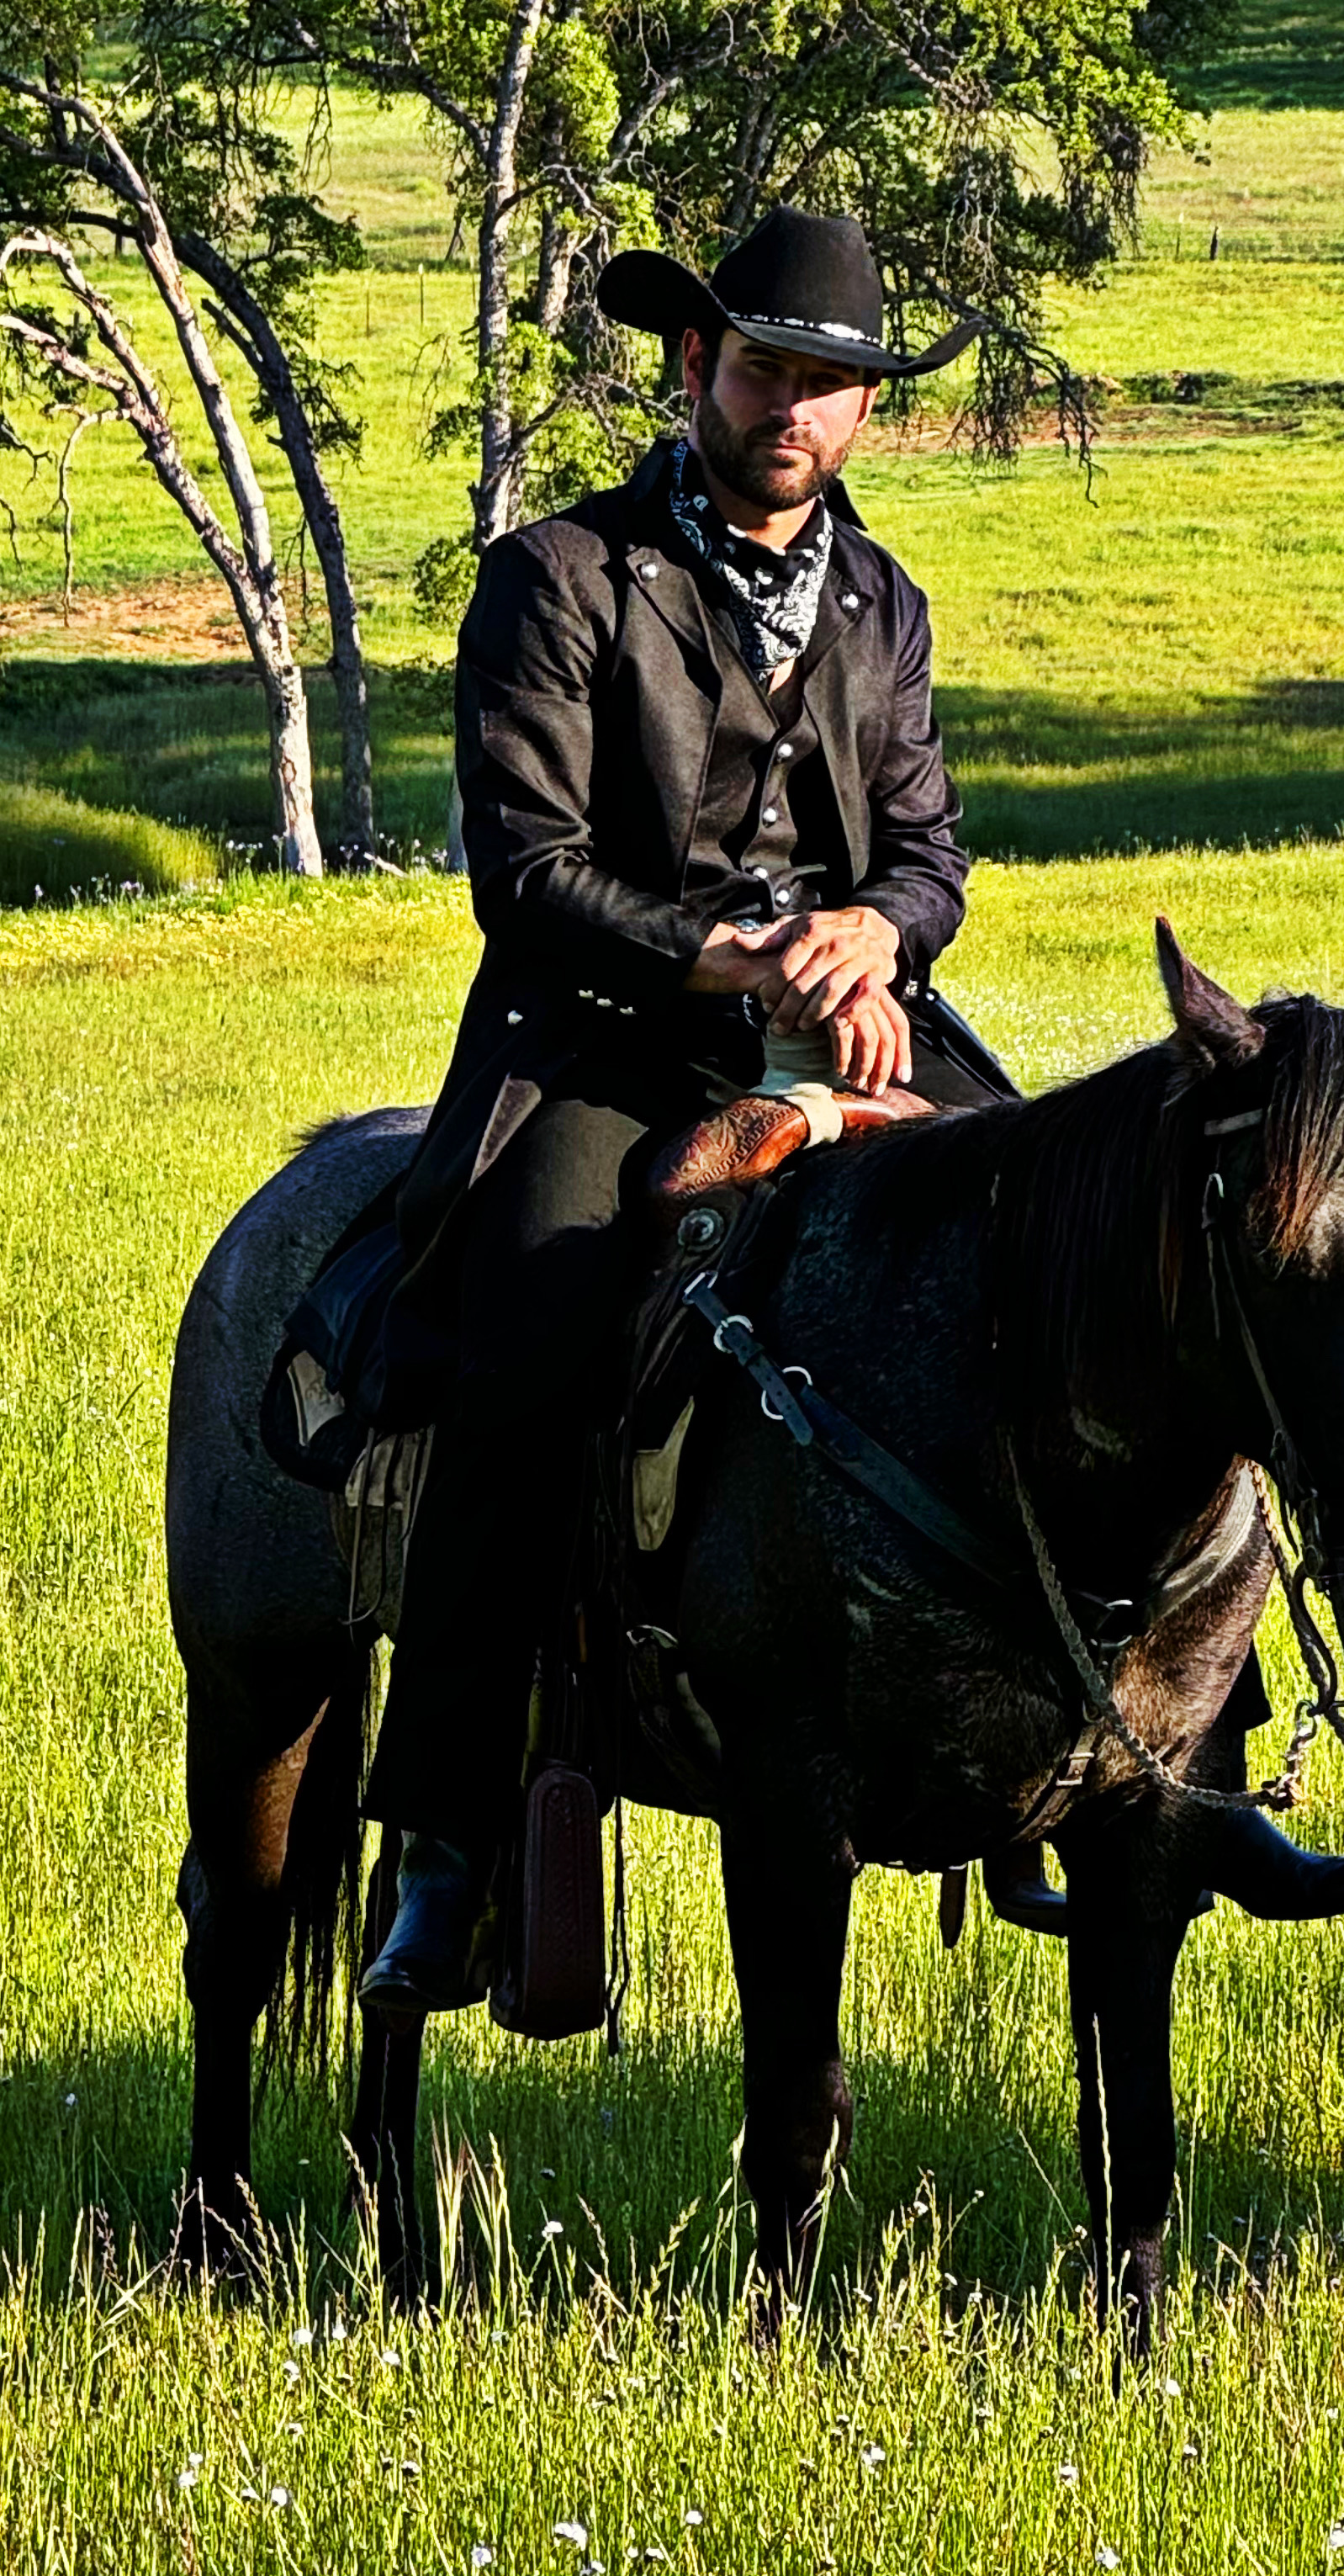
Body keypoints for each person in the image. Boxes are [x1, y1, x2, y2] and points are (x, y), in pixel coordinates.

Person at [356, 205, 1036, 2012]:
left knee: (1072, 1241)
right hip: (605, 1037)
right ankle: (445, 1834)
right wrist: (741, 961)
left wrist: (876, 942)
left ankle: (1127, 1770)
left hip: (848, 1027)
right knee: (529, 1335)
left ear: (866, 412)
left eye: (831, 388)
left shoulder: (883, 603)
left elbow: (931, 853)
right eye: (765, 373)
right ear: (690, 371)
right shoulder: (561, 578)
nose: (795, 412)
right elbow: (526, 871)